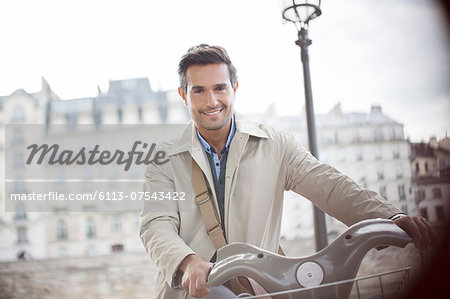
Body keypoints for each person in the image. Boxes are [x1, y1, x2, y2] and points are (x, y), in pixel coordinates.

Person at [140, 44, 434, 299]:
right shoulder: (164, 160)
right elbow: (156, 225)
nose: (211, 101)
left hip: (259, 286)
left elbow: (328, 184)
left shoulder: (274, 143)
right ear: (183, 95)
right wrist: (187, 261)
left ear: (235, 89)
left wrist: (387, 216)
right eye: (199, 91)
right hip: (195, 291)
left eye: (220, 88)